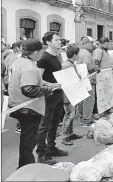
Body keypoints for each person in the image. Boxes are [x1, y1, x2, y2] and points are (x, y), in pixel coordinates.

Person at [8, 39, 61, 168]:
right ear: (36, 51)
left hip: (18, 105)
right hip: (29, 108)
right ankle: (26, 168)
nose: (42, 53)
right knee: (28, 142)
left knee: (26, 139)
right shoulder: (30, 67)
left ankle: (24, 166)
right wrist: (48, 89)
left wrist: (46, 84)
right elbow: (29, 89)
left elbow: (30, 81)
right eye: (41, 50)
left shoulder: (19, 62)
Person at [36, 31, 68, 163]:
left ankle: (51, 147)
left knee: (55, 123)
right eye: (56, 40)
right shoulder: (44, 58)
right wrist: (51, 85)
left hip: (58, 94)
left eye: (59, 39)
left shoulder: (56, 56)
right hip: (48, 95)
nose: (59, 41)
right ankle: (41, 155)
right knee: (45, 125)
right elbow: (38, 79)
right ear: (48, 42)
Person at [60, 44, 82, 146]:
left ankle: (70, 133)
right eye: (78, 54)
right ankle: (65, 136)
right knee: (69, 115)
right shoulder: (68, 65)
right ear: (74, 55)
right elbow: (71, 80)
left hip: (70, 93)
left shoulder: (68, 64)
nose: (79, 56)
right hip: (68, 94)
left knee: (71, 115)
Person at [77, 36, 99, 127]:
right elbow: (88, 66)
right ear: (86, 43)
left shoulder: (79, 51)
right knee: (89, 100)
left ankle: (83, 118)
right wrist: (96, 67)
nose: (92, 45)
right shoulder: (86, 53)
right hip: (88, 79)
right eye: (91, 43)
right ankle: (86, 120)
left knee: (82, 100)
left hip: (81, 78)